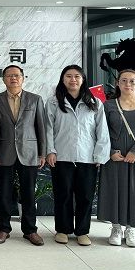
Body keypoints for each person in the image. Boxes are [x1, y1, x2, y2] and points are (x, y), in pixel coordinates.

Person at [45, 64, 110, 246]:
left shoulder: (94, 103)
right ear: (62, 79)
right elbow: (48, 128)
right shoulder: (53, 102)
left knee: (86, 196)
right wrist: (50, 150)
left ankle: (82, 231)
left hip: (87, 157)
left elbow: (102, 131)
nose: (73, 79)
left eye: (77, 76)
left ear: (83, 80)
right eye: (68, 76)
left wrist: (100, 155)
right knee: (62, 195)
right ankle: (62, 230)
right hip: (61, 156)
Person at [97, 69, 135, 248]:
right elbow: (101, 131)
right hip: (115, 156)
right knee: (114, 190)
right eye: (124, 80)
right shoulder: (108, 105)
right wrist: (110, 152)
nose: (128, 84)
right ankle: (116, 228)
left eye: (132, 81)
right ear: (118, 83)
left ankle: (131, 229)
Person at [0, 65, 47, 246]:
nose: (13, 78)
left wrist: (42, 153)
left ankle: (30, 230)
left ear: (23, 78)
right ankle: (3, 228)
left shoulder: (35, 99)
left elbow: (41, 127)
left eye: (16, 75)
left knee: (28, 193)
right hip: (4, 152)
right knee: (4, 193)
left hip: (29, 153)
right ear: (3, 79)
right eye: (9, 75)